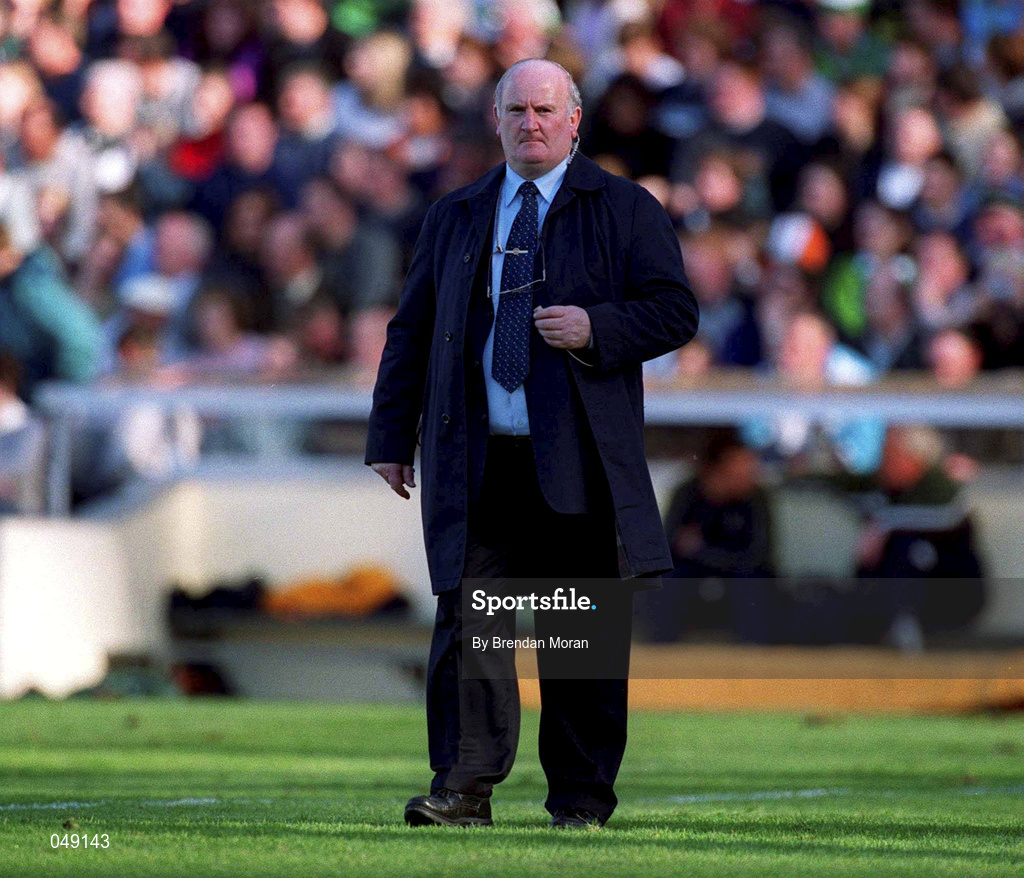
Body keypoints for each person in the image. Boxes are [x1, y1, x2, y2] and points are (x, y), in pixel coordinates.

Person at [365, 59, 697, 829]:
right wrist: (390, 435)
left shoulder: (623, 208)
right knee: (469, 629)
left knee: (577, 632)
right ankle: (462, 788)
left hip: (576, 461)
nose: (531, 122)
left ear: (575, 119)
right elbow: (410, 329)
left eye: (546, 109)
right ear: (496, 119)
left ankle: (580, 800)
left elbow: (675, 312)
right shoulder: (455, 213)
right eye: (516, 109)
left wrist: (596, 329)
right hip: (475, 462)